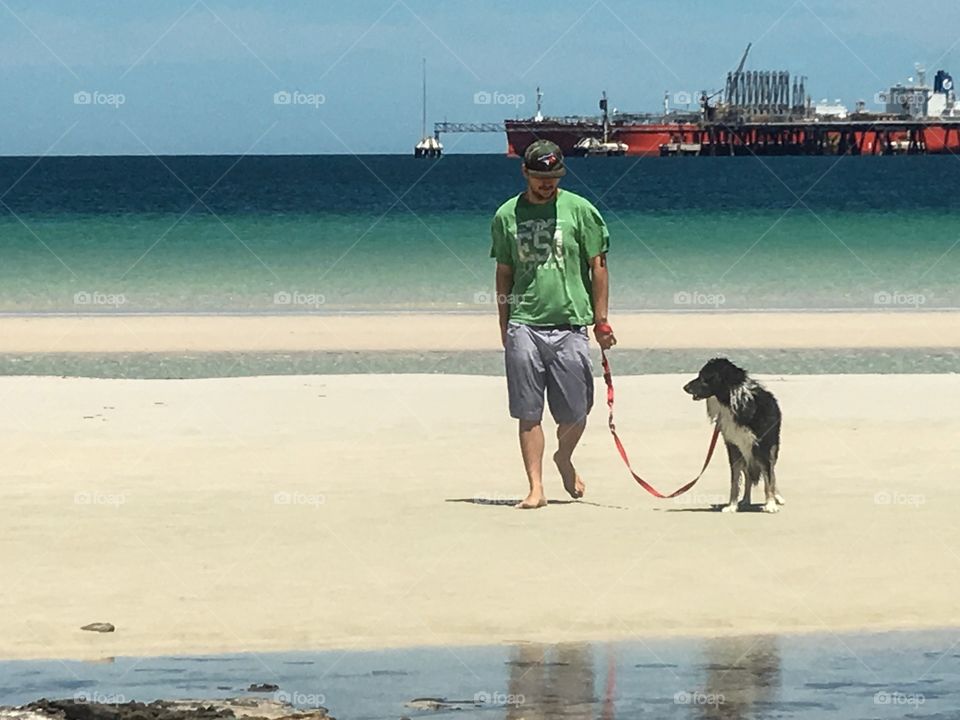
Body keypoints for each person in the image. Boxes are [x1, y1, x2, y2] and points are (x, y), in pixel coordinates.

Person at [489, 140, 616, 509]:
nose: (548, 183)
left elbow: (599, 267)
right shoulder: (506, 215)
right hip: (524, 324)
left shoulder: (581, 211)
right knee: (529, 411)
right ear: (525, 173)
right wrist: (504, 322)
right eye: (541, 177)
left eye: (555, 177)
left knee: (577, 412)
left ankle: (564, 457)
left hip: (571, 322)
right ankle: (536, 488)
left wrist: (601, 321)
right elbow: (504, 272)